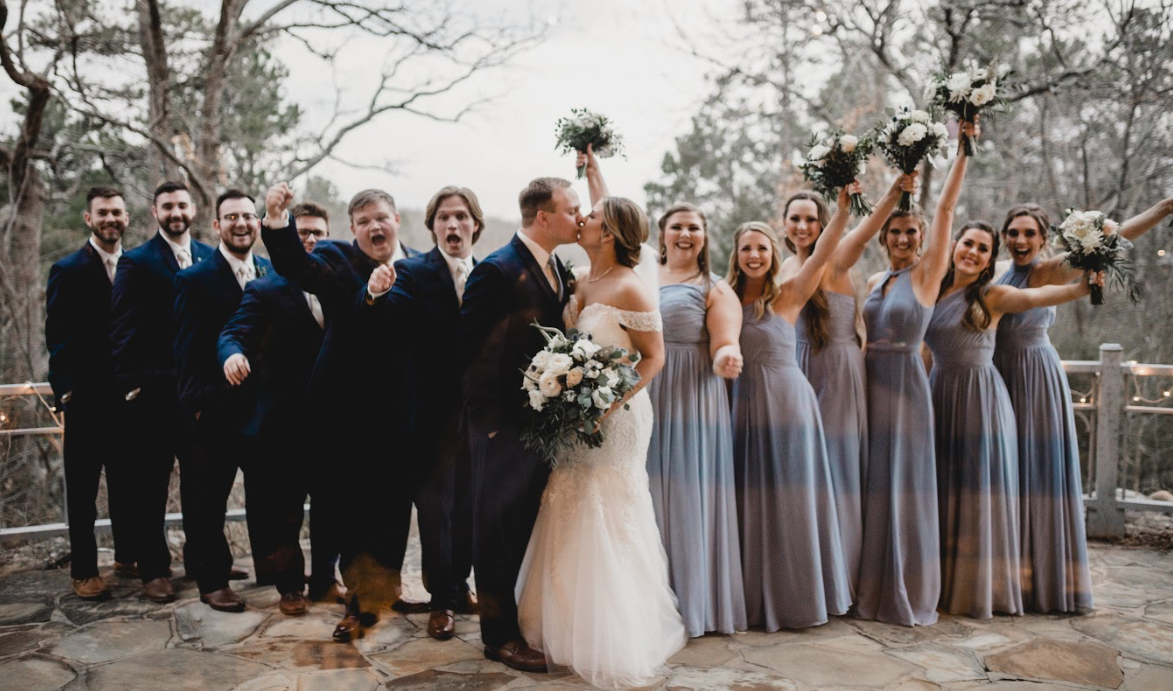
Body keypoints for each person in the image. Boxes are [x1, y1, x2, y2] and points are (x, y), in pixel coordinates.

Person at [516, 194, 686, 688]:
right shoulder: (584, 281)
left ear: (608, 233)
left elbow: (653, 358)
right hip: (577, 415)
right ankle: (562, 621)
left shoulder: (632, 288)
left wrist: (607, 404)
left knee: (606, 507)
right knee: (567, 497)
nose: (582, 220)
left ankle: (610, 633)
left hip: (618, 416)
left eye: (590, 217)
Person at [579, 146, 746, 637]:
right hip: (640, 389)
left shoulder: (714, 286)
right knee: (643, 492)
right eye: (678, 226)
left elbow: (726, 336)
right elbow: (613, 222)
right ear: (662, 234)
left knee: (683, 495)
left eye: (695, 227)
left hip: (691, 395)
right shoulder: (643, 271)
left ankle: (690, 602)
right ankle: (643, 596)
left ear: (705, 236)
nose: (686, 233)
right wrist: (594, 172)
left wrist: (726, 356)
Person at [993, 198, 1172, 613]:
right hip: (998, 375)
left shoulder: (1050, 269)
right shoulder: (1000, 273)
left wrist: (1163, 208)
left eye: (1029, 233)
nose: (1021, 239)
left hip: (1034, 377)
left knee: (1037, 475)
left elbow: (1117, 235)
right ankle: (1006, 577)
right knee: (1008, 476)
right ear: (1004, 238)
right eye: (1014, 233)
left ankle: (1047, 582)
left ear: (1042, 239)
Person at [261, 183, 420, 640]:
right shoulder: (334, 259)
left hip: (401, 414)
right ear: (353, 229)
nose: (374, 226)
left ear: (396, 221)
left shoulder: (419, 267)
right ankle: (356, 605)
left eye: (381, 218)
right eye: (364, 221)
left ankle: (385, 590)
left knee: (393, 511)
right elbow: (293, 263)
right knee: (352, 514)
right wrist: (276, 217)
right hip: (344, 414)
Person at [927, 221, 1099, 619]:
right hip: (939, 394)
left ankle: (982, 591)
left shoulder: (993, 294)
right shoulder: (933, 290)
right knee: (945, 489)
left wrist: (1084, 285)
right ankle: (942, 584)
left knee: (977, 493)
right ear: (954, 245)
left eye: (982, 249)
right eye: (968, 243)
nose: (972, 252)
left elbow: (1044, 294)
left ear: (990, 259)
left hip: (980, 401)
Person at [854, 121, 977, 626]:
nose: (903, 238)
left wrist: (962, 149)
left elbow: (946, 208)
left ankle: (906, 589)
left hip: (906, 387)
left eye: (912, 232)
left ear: (924, 239)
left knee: (904, 487)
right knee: (874, 486)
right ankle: (870, 585)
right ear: (885, 237)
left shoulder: (927, 276)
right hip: (868, 387)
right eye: (896, 232)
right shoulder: (876, 278)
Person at [459, 177, 579, 672]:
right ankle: (498, 637)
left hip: (541, 426)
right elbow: (468, 349)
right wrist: (486, 424)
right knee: (495, 533)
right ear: (544, 217)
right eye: (572, 210)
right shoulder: (497, 269)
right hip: (500, 428)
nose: (580, 217)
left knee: (522, 528)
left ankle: (518, 619)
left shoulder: (558, 269)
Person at [779, 173, 917, 600]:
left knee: (835, 468)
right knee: (801, 470)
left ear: (823, 224)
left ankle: (843, 576)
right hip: (795, 368)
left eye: (810, 219)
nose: (803, 227)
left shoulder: (836, 256)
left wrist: (895, 187)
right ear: (784, 224)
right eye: (795, 219)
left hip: (837, 369)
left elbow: (867, 227)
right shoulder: (783, 266)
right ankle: (807, 569)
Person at [727, 190, 853, 631]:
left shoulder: (790, 293)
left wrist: (839, 213)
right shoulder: (722, 298)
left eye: (762, 247)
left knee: (792, 498)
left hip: (788, 405)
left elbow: (821, 253)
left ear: (773, 253)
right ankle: (752, 596)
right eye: (747, 248)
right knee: (750, 498)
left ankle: (799, 598)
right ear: (736, 254)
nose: (755, 255)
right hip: (742, 406)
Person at [362, 186, 483, 640]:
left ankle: (460, 582)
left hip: (478, 418)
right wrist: (374, 294)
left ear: (476, 224)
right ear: (432, 226)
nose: (453, 225)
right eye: (444, 218)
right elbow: (385, 317)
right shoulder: (410, 272)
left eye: (461, 217)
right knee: (438, 515)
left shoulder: (489, 272)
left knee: (470, 508)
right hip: (428, 420)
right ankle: (442, 601)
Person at [218, 201, 342, 614]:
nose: (309, 240)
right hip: (284, 425)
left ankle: (326, 581)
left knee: (330, 509)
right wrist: (231, 355)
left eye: (317, 233)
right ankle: (290, 587)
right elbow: (233, 332)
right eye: (301, 232)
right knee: (285, 514)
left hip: (333, 425)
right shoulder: (264, 288)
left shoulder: (341, 281)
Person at [109, 180, 221, 604]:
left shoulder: (211, 258)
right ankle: (154, 569)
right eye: (167, 206)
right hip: (155, 396)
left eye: (181, 205)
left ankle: (203, 560)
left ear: (193, 209)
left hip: (203, 398)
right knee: (149, 489)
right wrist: (135, 386)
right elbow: (121, 332)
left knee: (203, 487)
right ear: (154, 212)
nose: (175, 213)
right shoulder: (136, 262)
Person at [173, 189, 273, 613]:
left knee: (269, 498)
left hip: (265, 412)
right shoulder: (193, 279)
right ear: (216, 225)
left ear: (259, 223)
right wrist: (197, 405)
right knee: (206, 501)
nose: (241, 223)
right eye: (231, 217)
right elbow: (183, 350)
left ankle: (274, 569)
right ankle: (212, 580)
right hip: (213, 410)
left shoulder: (272, 271)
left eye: (249, 216)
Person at [46, 186, 135, 600]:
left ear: (127, 218)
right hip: (84, 400)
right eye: (103, 213)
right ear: (89, 219)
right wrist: (66, 393)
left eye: (117, 212)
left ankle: (127, 555)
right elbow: (58, 337)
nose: (110, 219)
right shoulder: (69, 269)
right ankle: (84, 570)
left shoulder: (135, 266)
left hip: (129, 399)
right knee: (82, 492)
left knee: (126, 483)